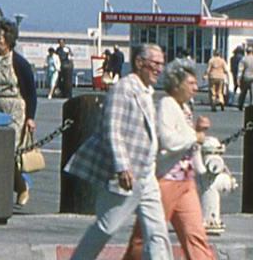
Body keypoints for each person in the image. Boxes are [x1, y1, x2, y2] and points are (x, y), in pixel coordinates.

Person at [65, 41, 173, 260]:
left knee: (157, 231)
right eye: (155, 63)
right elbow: (112, 129)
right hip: (128, 175)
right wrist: (122, 167)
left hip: (146, 175)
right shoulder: (124, 88)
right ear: (139, 62)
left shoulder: (146, 91)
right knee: (107, 226)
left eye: (162, 63)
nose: (159, 69)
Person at [119, 58, 215, 260]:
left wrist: (197, 134)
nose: (195, 88)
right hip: (165, 181)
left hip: (186, 181)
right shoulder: (166, 105)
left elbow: (187, 144)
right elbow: (168, 140)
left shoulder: (184, 108)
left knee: (195, 236)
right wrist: (194, 136)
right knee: (145, 237)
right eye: (190, 83)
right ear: (176, 84)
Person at [0, 20, 38, 206]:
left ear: (9, 41)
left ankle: (20, 187)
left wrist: (31, 117)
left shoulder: (20, 63)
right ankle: (6, 188)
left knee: (8, 153)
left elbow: (30, 91)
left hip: (15, 110)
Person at [238, 45, 253, 109]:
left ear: (246, 52)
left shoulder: (244, 59)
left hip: (246, 77)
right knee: (252, 92)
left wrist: (238, 79)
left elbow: (240, 70)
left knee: (243, 92)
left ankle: (240, 104)